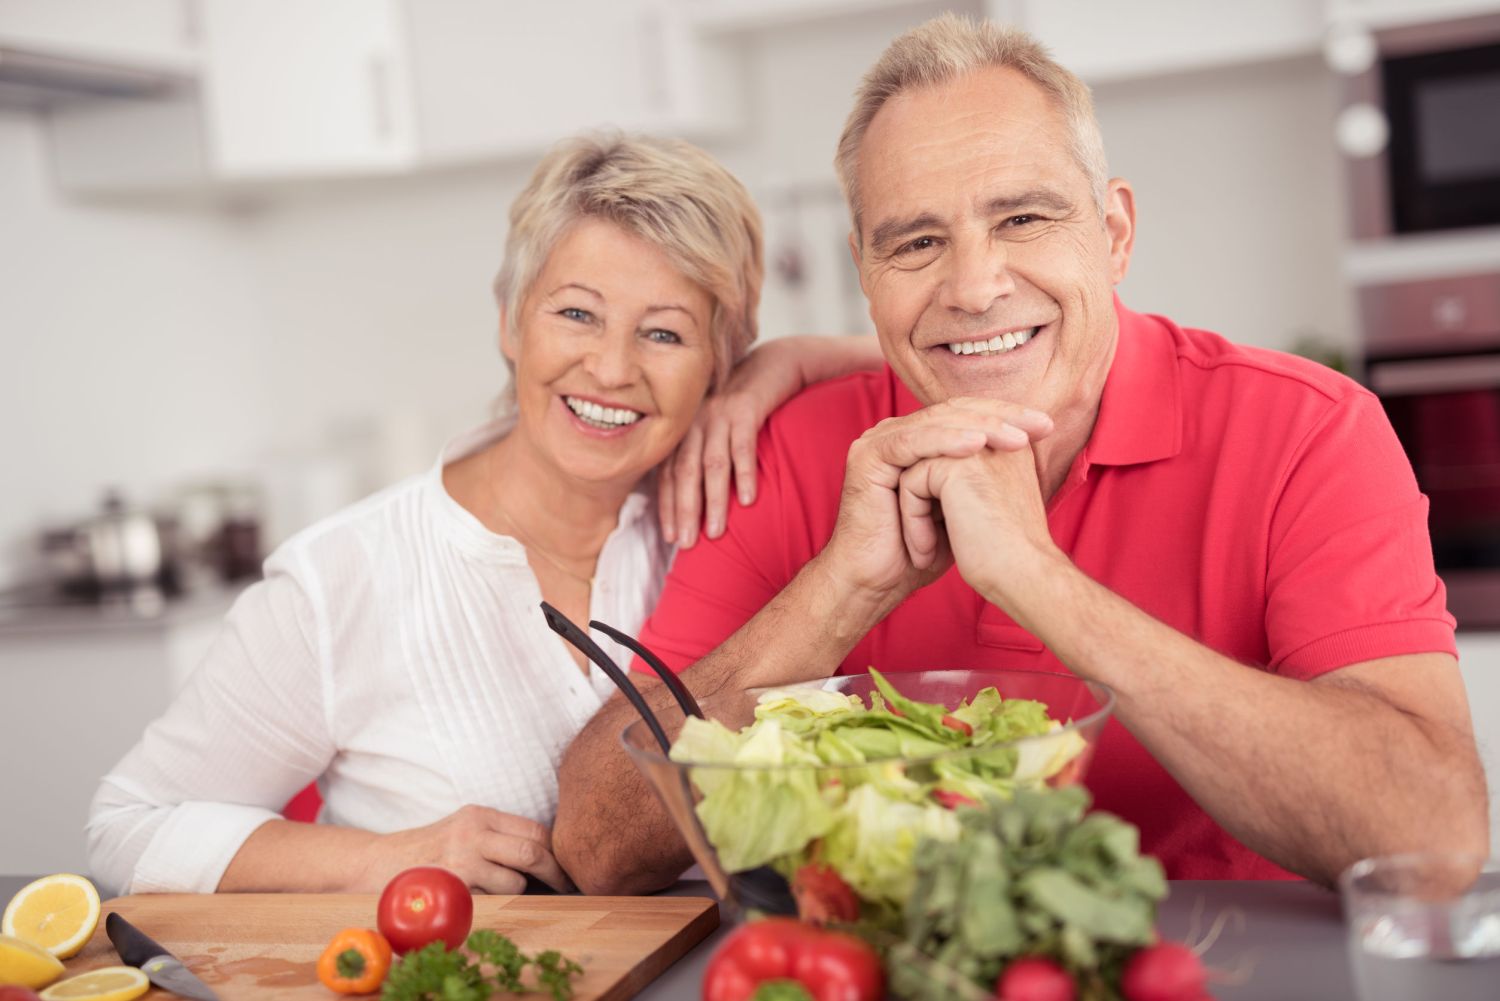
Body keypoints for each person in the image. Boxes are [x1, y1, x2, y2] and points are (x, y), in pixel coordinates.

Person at [552, 14, 1489, 894]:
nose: (973, 285)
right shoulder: (788, 450)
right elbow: (597, 844)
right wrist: (848, 582)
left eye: (1023, 220)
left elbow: (1430, 847)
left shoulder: (1308, 431)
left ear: (1114, 233)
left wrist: (1038, 579)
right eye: (916, 242)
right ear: (866, 276)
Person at [85, 133, 882, 897]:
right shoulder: (341, 575)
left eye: (664, 333)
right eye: (575, 314)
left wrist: (793, 358)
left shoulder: (724, 515)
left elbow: (950, 357)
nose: (610, 367)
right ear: (508, 318)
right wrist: (393, 858)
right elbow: (127, 826)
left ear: (722, 361)